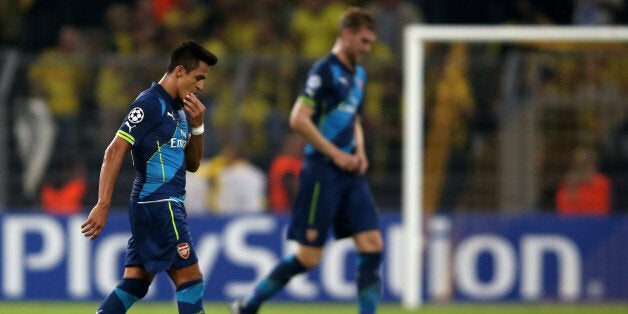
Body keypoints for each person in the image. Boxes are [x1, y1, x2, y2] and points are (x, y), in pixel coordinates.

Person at [231, 7, 383, 314]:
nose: (368, 49)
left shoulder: (360, 75)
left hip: (350, 173)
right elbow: (298, 119)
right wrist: (336, 153)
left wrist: (360, 153)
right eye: (364, 42)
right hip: (322, 172)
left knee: (372, 246)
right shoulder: (324, 71)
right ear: (347, 35)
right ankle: (249, 304)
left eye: (371, 43)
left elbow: (353, 118)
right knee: (309, 258)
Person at [80, 40, 217, 314]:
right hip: (160, 203)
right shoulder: (150, 103)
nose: (201, 86)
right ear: (180, 71)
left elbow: (192, 164)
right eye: (198, 77)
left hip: (159, 204)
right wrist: (103, 203)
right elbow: (115, 149)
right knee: (191, 281)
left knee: (136, 282)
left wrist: (198, 127)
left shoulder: (179, 110)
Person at [555, 145, 611, 216]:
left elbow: (601, 211)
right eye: (578, 165)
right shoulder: (568, 183)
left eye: (585, 164)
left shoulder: (602, 182)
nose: (582, 169)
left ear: (593, 164)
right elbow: (563, 212)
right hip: (572, 224)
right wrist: (572, 190)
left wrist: (588, 183)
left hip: (595, 224)